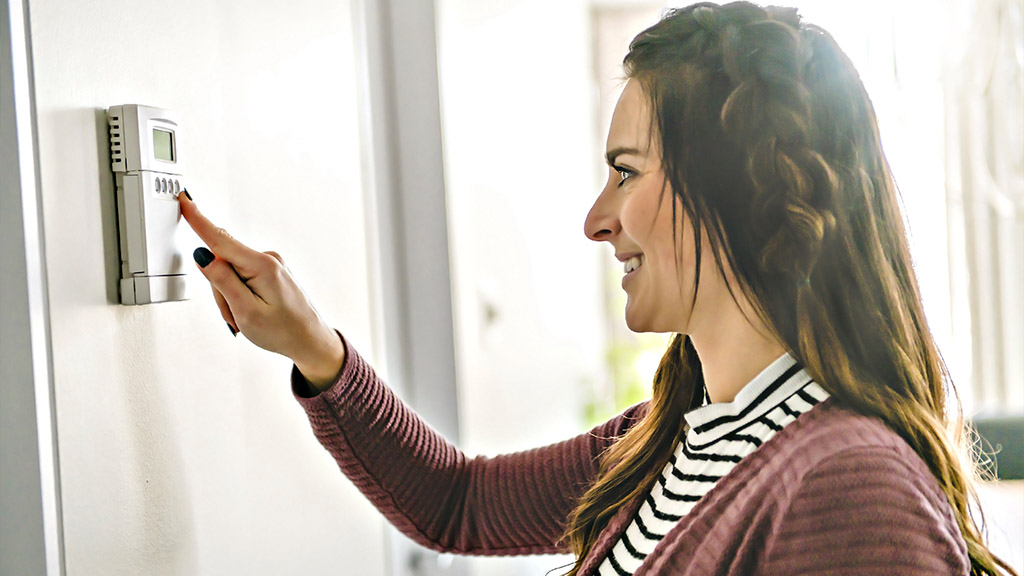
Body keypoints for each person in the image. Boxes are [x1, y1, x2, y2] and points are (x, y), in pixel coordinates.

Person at [178, 2, 1016, 574]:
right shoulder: (679, 434)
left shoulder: (851, 486)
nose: (595, 220)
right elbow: (460, 503)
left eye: (625, 174)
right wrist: (309, 343)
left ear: (737, 184)